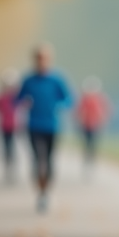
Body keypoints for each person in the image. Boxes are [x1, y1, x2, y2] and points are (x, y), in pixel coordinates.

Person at [16, 44, 72, 213]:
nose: (42, 61)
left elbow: (69, 100)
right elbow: (17, 100)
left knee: (48, 160)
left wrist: (57, 105)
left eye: (45, 58)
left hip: (52, 126)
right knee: (37, 160)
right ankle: (40, 193)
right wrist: (25, 102)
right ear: (34, 60)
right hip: (34, 125)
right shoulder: (28, 80)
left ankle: (46, 191)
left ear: (50, 60)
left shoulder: (58, 80)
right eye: (39, 58)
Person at [0, 69, 21, 184]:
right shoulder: (0, 97)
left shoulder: (16, 97)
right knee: (6, 146)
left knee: (12, 146)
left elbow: (23, 105)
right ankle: (8, 163)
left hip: (14, 126)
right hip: (3, 126)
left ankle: (11, 164)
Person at [77, 76, 111, 173]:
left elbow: (104, 111)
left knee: (93, 144)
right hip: (86, 126)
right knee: (87, 143)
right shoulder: (85, 100)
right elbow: (80, 112)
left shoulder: (99, 99)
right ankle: (87, 158)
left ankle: (91, 158)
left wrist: (102, 120)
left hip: (95, 126)